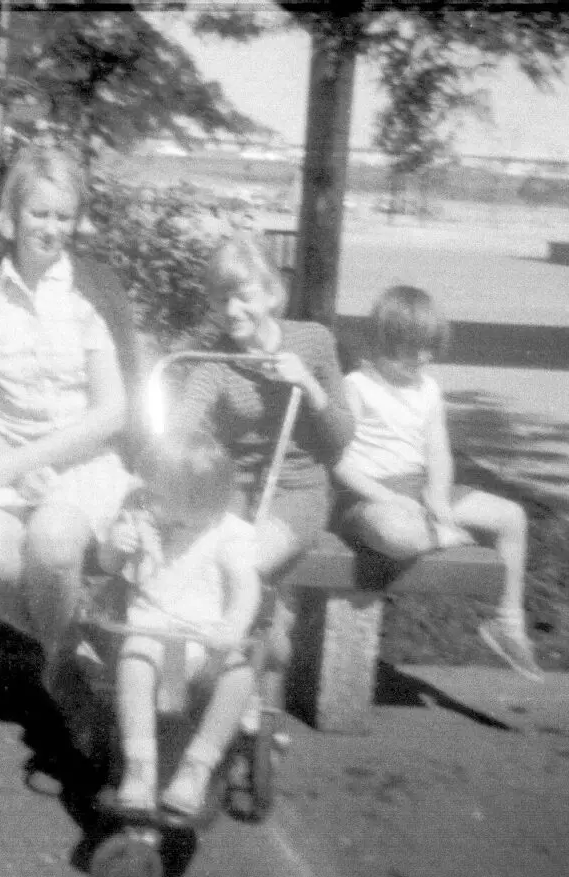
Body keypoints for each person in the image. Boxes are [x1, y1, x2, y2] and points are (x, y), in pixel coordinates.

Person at [0, 142, 137, 683]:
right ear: (13, 214)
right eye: (39, 213)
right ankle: (69, 649)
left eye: (64, 216)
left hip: (80, 461)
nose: (50, 227)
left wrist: (29, 461)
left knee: (50, 546)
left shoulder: (94, 289)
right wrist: (9, 462)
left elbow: (114, 411)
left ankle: (60, 678)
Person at [173, 231, 354, 722]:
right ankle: (243, 667)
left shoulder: (313, 342)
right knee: (195, 565)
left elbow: (339, 440)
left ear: (272, 294)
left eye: (243, 295)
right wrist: (168, 450)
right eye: (220, 297)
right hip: (232, 493)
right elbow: (184, 425)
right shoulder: (215, 358)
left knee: (240, 564)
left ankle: (239, 691)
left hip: (296, 491)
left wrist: (309, 385)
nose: (231, 310)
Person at [333, 285, 543, 681]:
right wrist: (386, 496)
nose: (424, 358)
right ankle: (442, 535)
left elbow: (438, 452)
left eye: (430, 348)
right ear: (386, 341)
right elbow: (338, 463)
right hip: (368, 494)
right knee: (398, 536)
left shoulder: (427, 389)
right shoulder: (357, 386)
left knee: (512, 516)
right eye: (414, 349)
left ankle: (508, 623)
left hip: (418, 486)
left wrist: (438, 493)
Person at [96, 429, 262, 817]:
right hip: (151, 630)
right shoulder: (141, 520)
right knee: (135, 662)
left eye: (160, 496)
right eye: (151, 494)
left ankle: (197, 767)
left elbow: (246, 589)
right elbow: (109, 567)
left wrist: (234, 626)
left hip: (205, 641)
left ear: (199, 503)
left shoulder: (228, 534)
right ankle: (140, 766)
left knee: (239, 676)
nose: (150, 501)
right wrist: (113, 548)